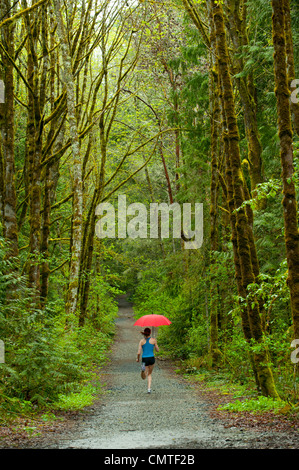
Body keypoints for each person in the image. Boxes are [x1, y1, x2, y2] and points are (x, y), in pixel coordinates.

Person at [136, 327, 159, 394]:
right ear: (150, 333)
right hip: (151, 358)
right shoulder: (153, 340)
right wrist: (155, 345)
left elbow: (138, 352)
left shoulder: (141, 341)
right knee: (149, 374)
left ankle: (143, 371)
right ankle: (149, 389)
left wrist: (137, 358)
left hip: (144, 359)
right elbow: (157, 350)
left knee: (143, 376)